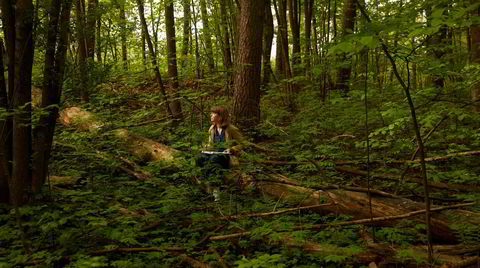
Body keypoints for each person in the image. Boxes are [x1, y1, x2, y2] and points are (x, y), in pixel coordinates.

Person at [196, 106, 245, 200]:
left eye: (213, 113)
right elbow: (211, 145)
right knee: (200, 158)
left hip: (226, 156)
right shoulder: (212, 129)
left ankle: (215, 191)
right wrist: (204, 148)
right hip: (213, 154)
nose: (211, 115)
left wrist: (232, 149)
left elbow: (242, 144)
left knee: (214, 160)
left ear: (220, 117)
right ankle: (206, 187)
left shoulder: (231, 129)